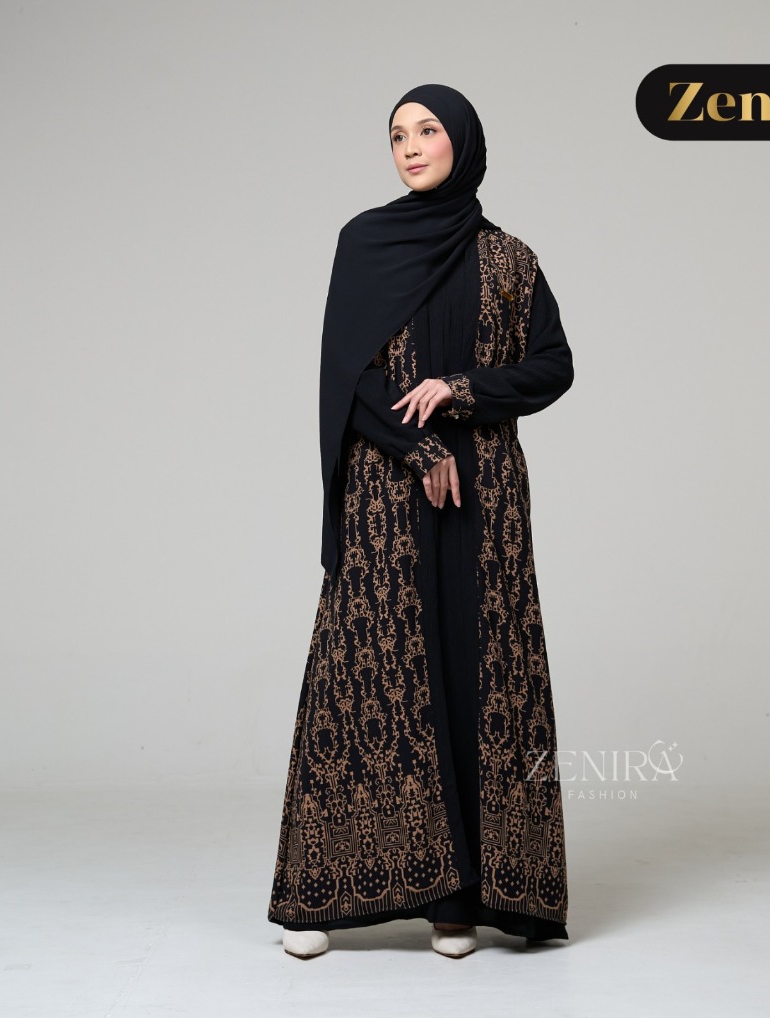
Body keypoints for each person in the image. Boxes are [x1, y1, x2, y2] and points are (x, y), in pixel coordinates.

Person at [267, 83, 574, 959]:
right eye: (397, 134)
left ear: (462, 142)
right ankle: (322, 897)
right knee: (368, 673)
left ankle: (457, 903)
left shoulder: (510, 260)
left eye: (427, 130)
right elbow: (347, 374)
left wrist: (461, 392)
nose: (409, 146)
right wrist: (419, 446)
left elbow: (553, 367)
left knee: (478, 671)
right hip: (385, 486)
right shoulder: (365, 243)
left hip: (487, 496)